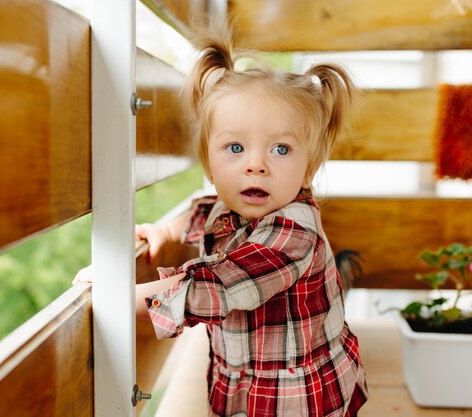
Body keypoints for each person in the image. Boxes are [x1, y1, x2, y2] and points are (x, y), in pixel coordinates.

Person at [79, 24, 367, 417]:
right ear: (209, 162)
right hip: (243, 381)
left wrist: (118, 295)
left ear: (308, 169)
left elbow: (213, 287)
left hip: (300, 396)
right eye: (235, 147)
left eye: (281, 149)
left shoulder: (293, 235)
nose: (255, 165)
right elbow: (202, 211)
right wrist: (166, 230)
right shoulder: (230, 205)